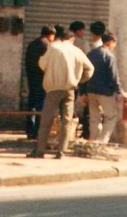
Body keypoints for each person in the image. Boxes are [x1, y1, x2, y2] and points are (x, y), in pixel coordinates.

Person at [33, 25, 95, 159]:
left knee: (46, 120)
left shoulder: (53, 48)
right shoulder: (77, 50)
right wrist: (80, 80)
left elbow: (42, 64)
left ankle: (40, 150)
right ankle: (61, 151)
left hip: (54, 88)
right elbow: (90, 68)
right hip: (70, 89)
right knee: (66, 120)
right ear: (71, 39)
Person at [83, 33, 127, 143]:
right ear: (110, 42)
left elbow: (84, 72)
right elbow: (113, 76)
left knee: (94, 117)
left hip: (90, 90)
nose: (114, 46)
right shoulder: (109, 56)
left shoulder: (91, 54)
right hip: (104, 92)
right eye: (114, 43)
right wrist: (119, 91)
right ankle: (102, 140)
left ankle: (93, 139)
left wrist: (83, 91)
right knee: (111, 116)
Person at [23, 25, 55, 139]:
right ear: (50, 35)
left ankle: (29, 130)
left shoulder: (32, 44)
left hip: (32, 78)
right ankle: (37, 130)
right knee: (41, 106)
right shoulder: (47, 46)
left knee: (31, 104)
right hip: (42, 79)